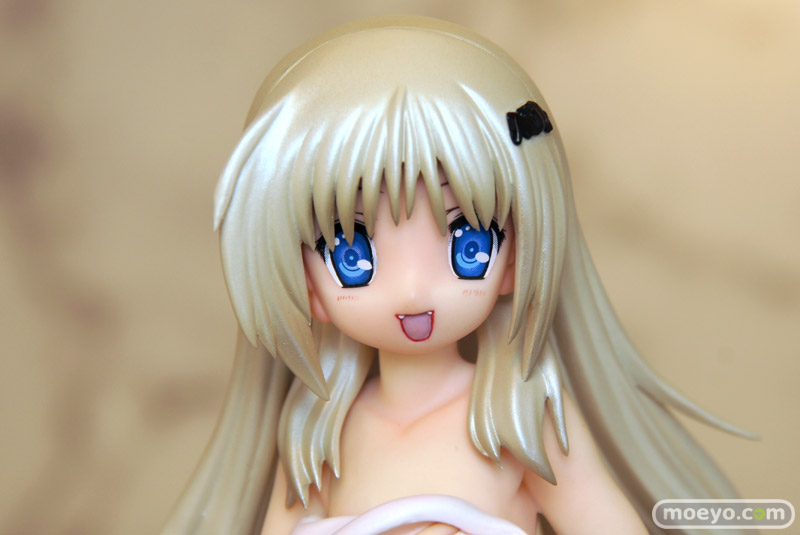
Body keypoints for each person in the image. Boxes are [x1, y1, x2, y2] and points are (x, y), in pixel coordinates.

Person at [163, 16, 750, 535]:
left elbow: (602, 522)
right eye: (353, 256)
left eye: (469, 245)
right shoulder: (317, 429)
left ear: (515, 257)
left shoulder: (519, 415)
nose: (413, 290)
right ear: (307, 284)